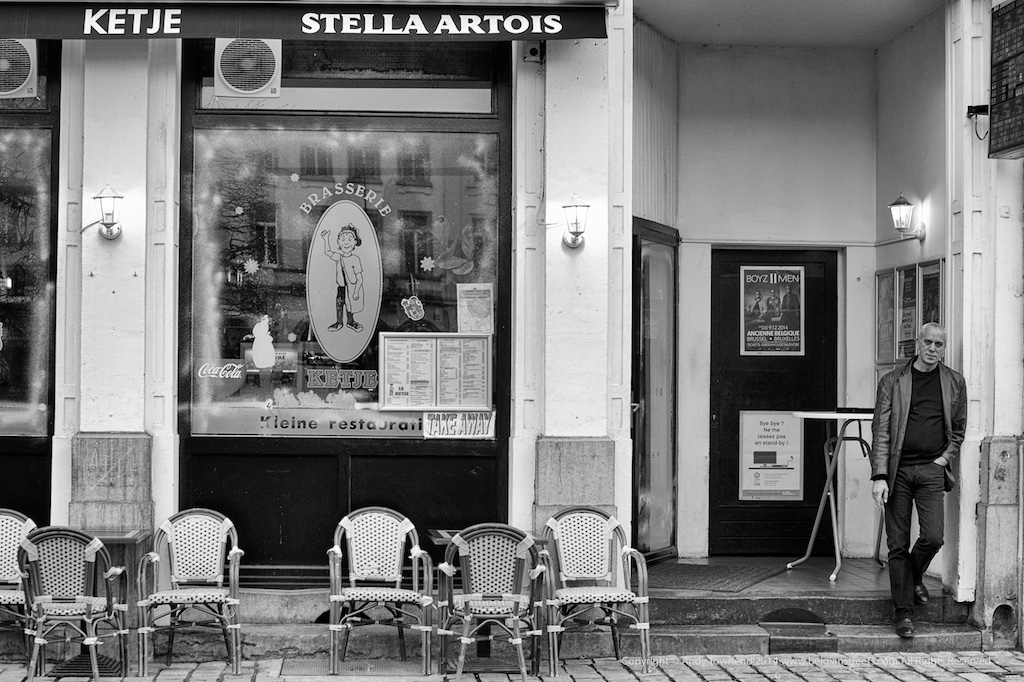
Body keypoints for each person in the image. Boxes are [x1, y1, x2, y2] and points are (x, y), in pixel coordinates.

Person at [870, 322, 967, 638]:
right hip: (897, 471)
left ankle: (912, 577)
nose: (933, 349)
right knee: (897, 544)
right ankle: (904, 614)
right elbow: (881, 431)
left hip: (931, 470)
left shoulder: (954, 382)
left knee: (934, 536)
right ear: (917, 343)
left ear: (944, 348)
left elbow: (959, 429)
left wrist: (944, 458)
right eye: (928, 342)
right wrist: (880, 475)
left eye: (939, 344)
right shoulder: (892, 381)